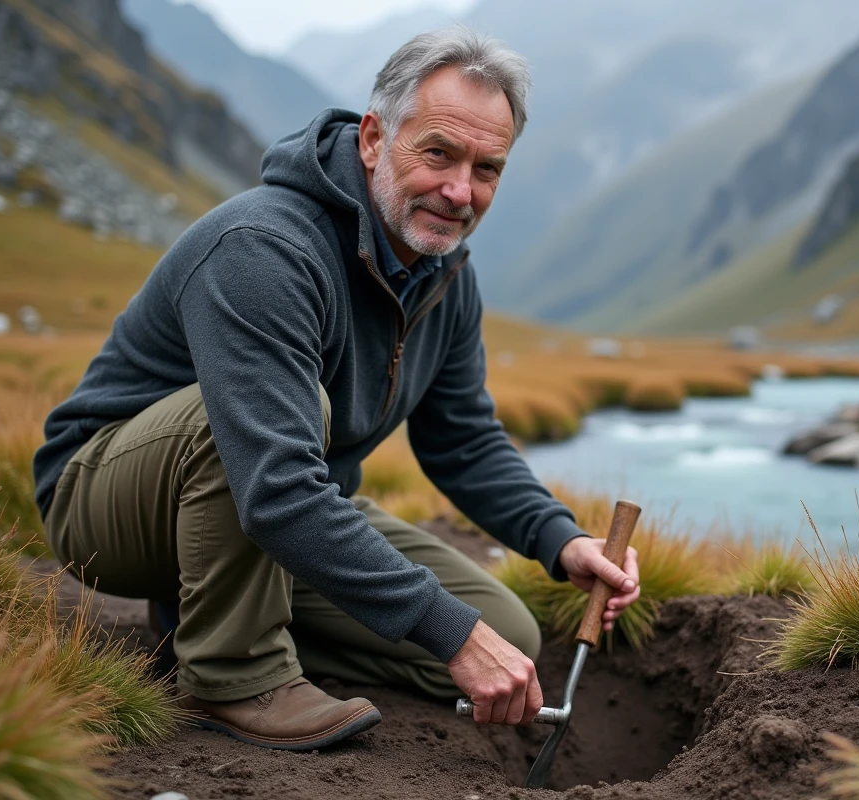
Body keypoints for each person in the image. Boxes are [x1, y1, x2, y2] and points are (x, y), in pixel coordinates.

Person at [32, 26, 641, 752]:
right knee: (259, 427)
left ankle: (202, 615)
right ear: (375, 139)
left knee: (506, 632)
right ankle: (233, 675)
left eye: (487, 168)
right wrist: (450, 634)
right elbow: (278, 486)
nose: (459, 191)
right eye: (440, 153)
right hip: (112, 509)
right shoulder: (265, 249)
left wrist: (562, 540)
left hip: (276, 501)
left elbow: (462, 441)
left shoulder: (446, 273)